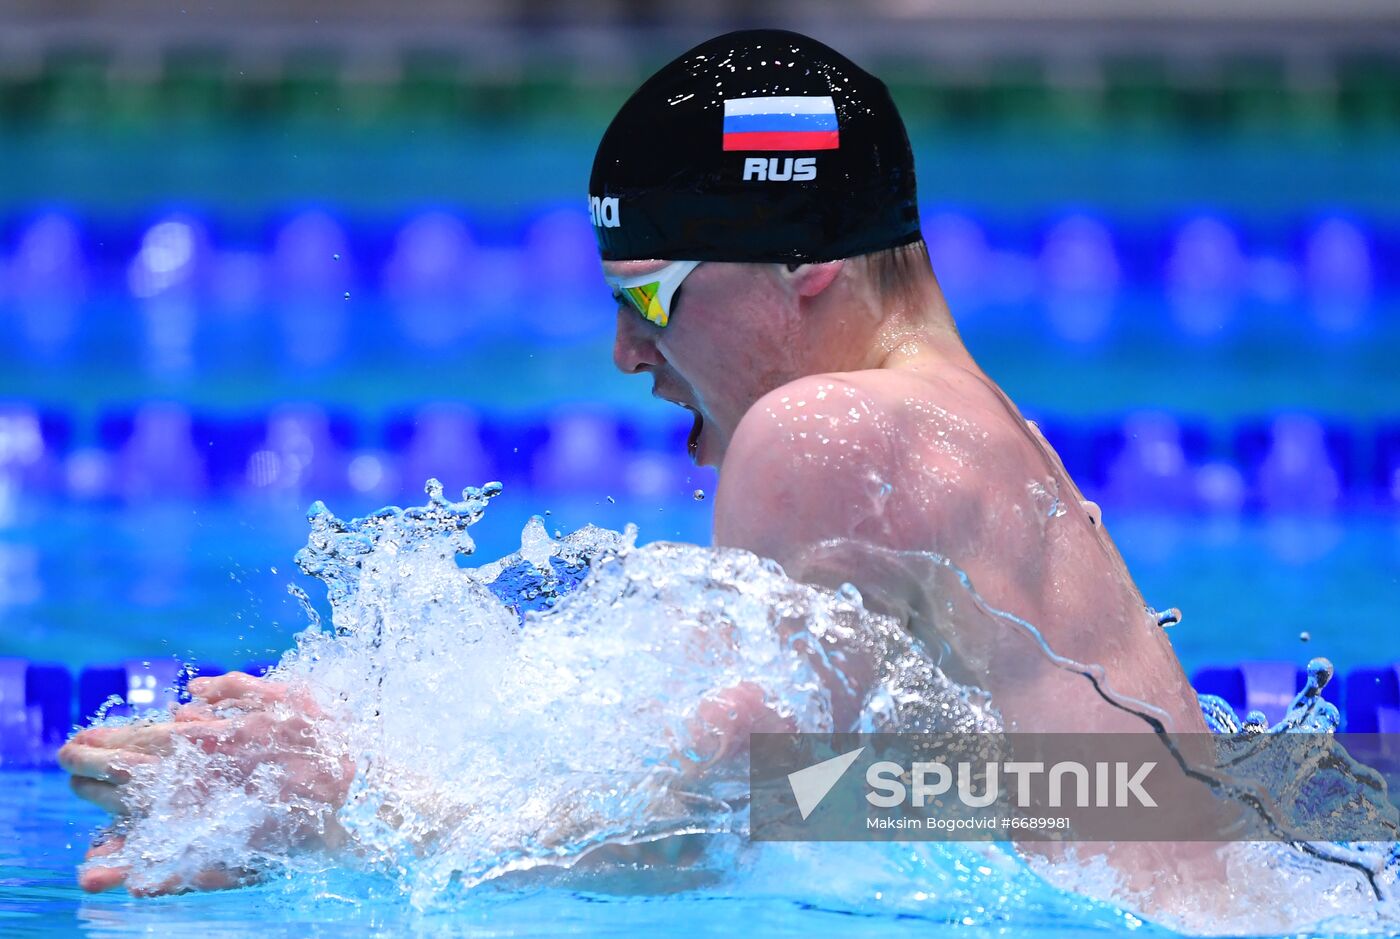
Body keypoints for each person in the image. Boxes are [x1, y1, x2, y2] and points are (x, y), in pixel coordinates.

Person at [59, 29, 1211, 898]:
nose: (624, 354)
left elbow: (703, 832)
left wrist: (344, 805)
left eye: (647, 299)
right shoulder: (968, 427)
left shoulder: (828, 431)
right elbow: (858, 802)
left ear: (800, 259)